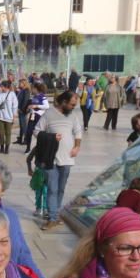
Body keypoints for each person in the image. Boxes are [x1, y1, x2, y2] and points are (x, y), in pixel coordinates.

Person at [38, 91, 83, 229]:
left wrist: (76, 147)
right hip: (51, 158)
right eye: (71, 104)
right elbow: (36, 131)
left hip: (67, 158)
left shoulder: (73, 116)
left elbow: (78, 132)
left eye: (75, 105)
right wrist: (51, 137)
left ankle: (55, 213)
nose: (73, 107)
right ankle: (52, 217)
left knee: (61, 189)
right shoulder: (48, 114)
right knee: (52, 188)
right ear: (63, 102)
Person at [0, 80, 19, 154]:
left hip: (9, 116)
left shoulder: (12, 94)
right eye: (1, 87)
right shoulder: (0, 94)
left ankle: (7, 148)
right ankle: (1, 147)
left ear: (6, 87)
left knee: (8, 133)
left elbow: (15, 105)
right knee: (1, 133)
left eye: (2, 87)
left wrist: (14, 116)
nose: (1, 88)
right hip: (0, 116)